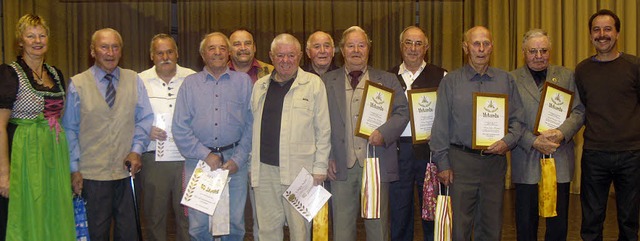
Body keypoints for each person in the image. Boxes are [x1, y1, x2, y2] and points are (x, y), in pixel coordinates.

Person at [429, 26, 524, 241]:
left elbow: (518, 121)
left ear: (492, 46)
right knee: (459, 229)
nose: (481, 49)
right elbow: (440, 126)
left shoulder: (506, 80)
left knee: (491, 228)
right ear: (465, 47)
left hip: (494, 164)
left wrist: (507, 142)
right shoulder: (450, 82)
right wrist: (442, 164)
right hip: (460, 165)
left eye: (486, 44)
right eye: (475, 44)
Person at [62, 28, 154, 241]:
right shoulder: (78, 84)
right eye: (104, 47)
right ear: (93, 51)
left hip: (127, 173)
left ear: (121, 51)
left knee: (129, 234)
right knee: (96, 234)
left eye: (115, 47)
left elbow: (145, 119)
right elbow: (70, 129)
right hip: (92, 176)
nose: (110, 52)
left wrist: (136, 151)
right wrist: (74, 170)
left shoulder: (134, 80)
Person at [322, 26, 409, 241]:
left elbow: (403, 112)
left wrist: (384, 133)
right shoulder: (326, 82)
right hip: (341, 165)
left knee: (378, 229)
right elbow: (319, 124)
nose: (356, 50)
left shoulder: (387, 79)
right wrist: (327, 157)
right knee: (341, 230)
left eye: (361, 45)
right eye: (350, 45)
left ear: (369, 49)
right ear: (342, 50)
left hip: (376, 165)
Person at [0, 14, 75, 241]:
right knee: (25, 210)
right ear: (20, 41)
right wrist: (4, 173)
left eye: (42, 35)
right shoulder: (9, 74)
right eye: (30, 35)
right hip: (23, 152)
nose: (37, 40)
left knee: (52, 208)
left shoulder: (55, 73)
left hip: (53, 151)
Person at [172, 32, 252, 241]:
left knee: (234, 224)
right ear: (202, 54)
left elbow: (251, 126)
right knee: (199, 226)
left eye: (222, 48)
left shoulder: (243, 83)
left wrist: (238, 159)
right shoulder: (189, 84)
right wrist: (206, 154)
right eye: (211, 48)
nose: (217, 52)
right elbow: (180, 127)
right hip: (198, 163)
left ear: (229, 53)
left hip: (234, 162)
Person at [250, 33, 331, 241]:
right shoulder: (260, 86)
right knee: (267, 230)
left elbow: (323, 129)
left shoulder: (313, 84)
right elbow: (252, 127)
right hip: (265, 170)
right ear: (271, 56)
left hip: (300, 173)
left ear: (300, 56)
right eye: (280, 55)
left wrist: (320, 168)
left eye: (291, 55)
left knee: (300, 231)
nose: (285, 60)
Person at [510, 29, 584, 241]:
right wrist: (533, 141)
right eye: (533, 51)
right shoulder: (512, 78)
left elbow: (579, 112)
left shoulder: (567, 76)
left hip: (559, 157)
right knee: (525, 224)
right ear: (524, 52)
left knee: (558, 227)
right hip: (526, 160)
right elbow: (508, 120)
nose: (539, 55)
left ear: (550, 51)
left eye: (543, 50)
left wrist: (562, 133)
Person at [575, 9, 640, 241]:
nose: (602, 34)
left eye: (607, 29)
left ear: (617, 33)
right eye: (596, 29)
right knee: (591, 222)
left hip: (631, 155)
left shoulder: (634, 66)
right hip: (594, 154)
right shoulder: (582, 70)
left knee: (629, 221)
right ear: (590, 35)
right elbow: (580, 109)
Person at [388, 26, 446, 241]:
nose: (413, 48)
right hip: (397, 152)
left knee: (432, 210)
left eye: (418, 43)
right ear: (401, 46)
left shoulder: (442, 75)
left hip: (429, 153)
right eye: (408, 43)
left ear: (426, 47)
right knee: (399, 211)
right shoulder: (388, 76)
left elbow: (448, 114)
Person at [138, 33, 195, 241]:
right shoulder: (139, 80)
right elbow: (129, 117)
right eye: (160, 53)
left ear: (177, 53)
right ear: (152, 56)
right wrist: (145, 129)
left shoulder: (192, 78)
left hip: (186, 159)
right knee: (155, 217)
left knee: (187, 217)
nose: (165, 57)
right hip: (154, 158)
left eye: (170, 51)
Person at [228, 28, 271, 240]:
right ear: (228, 49)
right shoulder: (218, 72)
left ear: (254, 47)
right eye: (237, 43)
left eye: (247, 43)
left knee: (263, 217)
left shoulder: (271, 72)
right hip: (229, 154)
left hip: (261, 153)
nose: (243, 48)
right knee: (229, 216)